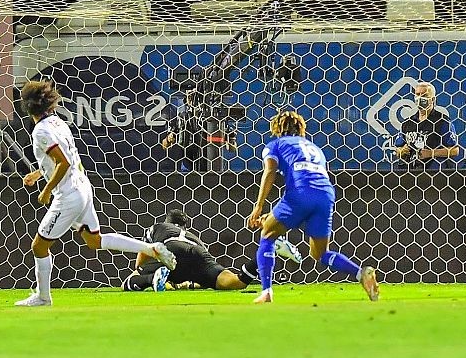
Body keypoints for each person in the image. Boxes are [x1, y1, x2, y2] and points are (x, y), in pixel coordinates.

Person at [15, 80, 177, 307]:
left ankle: (43, 297)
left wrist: (47, 189)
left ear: (27, 105)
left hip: (68, 195)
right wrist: (37, 174)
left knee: (39, 247)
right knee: (95, 240)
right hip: (82, 187)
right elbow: (64, 158)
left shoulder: (41, 131)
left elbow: (63, 163)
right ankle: (151, 249)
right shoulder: (57, 122)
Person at [247, 111, 379, 304]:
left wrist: (259, 206)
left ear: (276, 128)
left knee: (267, 234)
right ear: (301, 128)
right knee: (320, 253)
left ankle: (267, 292)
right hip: (325, 194)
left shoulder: (275, 145)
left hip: (301, 192)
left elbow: (270, 171)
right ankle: (361, 273)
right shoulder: (315, 148)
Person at [121, 209, 303, 292]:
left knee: (128, 282)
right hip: (199, 254)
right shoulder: (194, 237)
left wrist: (140, 270)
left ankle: (151, 278)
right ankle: (269, 246)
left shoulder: (158, 227)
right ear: (185, 226)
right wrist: (187, 284)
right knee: (236, 282)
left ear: (167, 221)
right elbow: (200, 276)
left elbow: (145, 251)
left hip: (169, 249)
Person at [392, 82, 460, 169]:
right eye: (417, 94)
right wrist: (401, 151)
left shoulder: (443, 121)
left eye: (424, 95)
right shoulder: (407, 123)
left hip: (435, 173)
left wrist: (431, 153)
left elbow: (455, 150)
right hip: (411, 172)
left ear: (433, 99)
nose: (420, 98)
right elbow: (398, 148)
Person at [161, 89, 209, 172]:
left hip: (206, 159)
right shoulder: (181, 117)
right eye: (189, 96)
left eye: (194, 95)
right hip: (187, 161)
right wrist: (169, 138)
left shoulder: (207, 118)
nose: (192, 99)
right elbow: (165, 145)